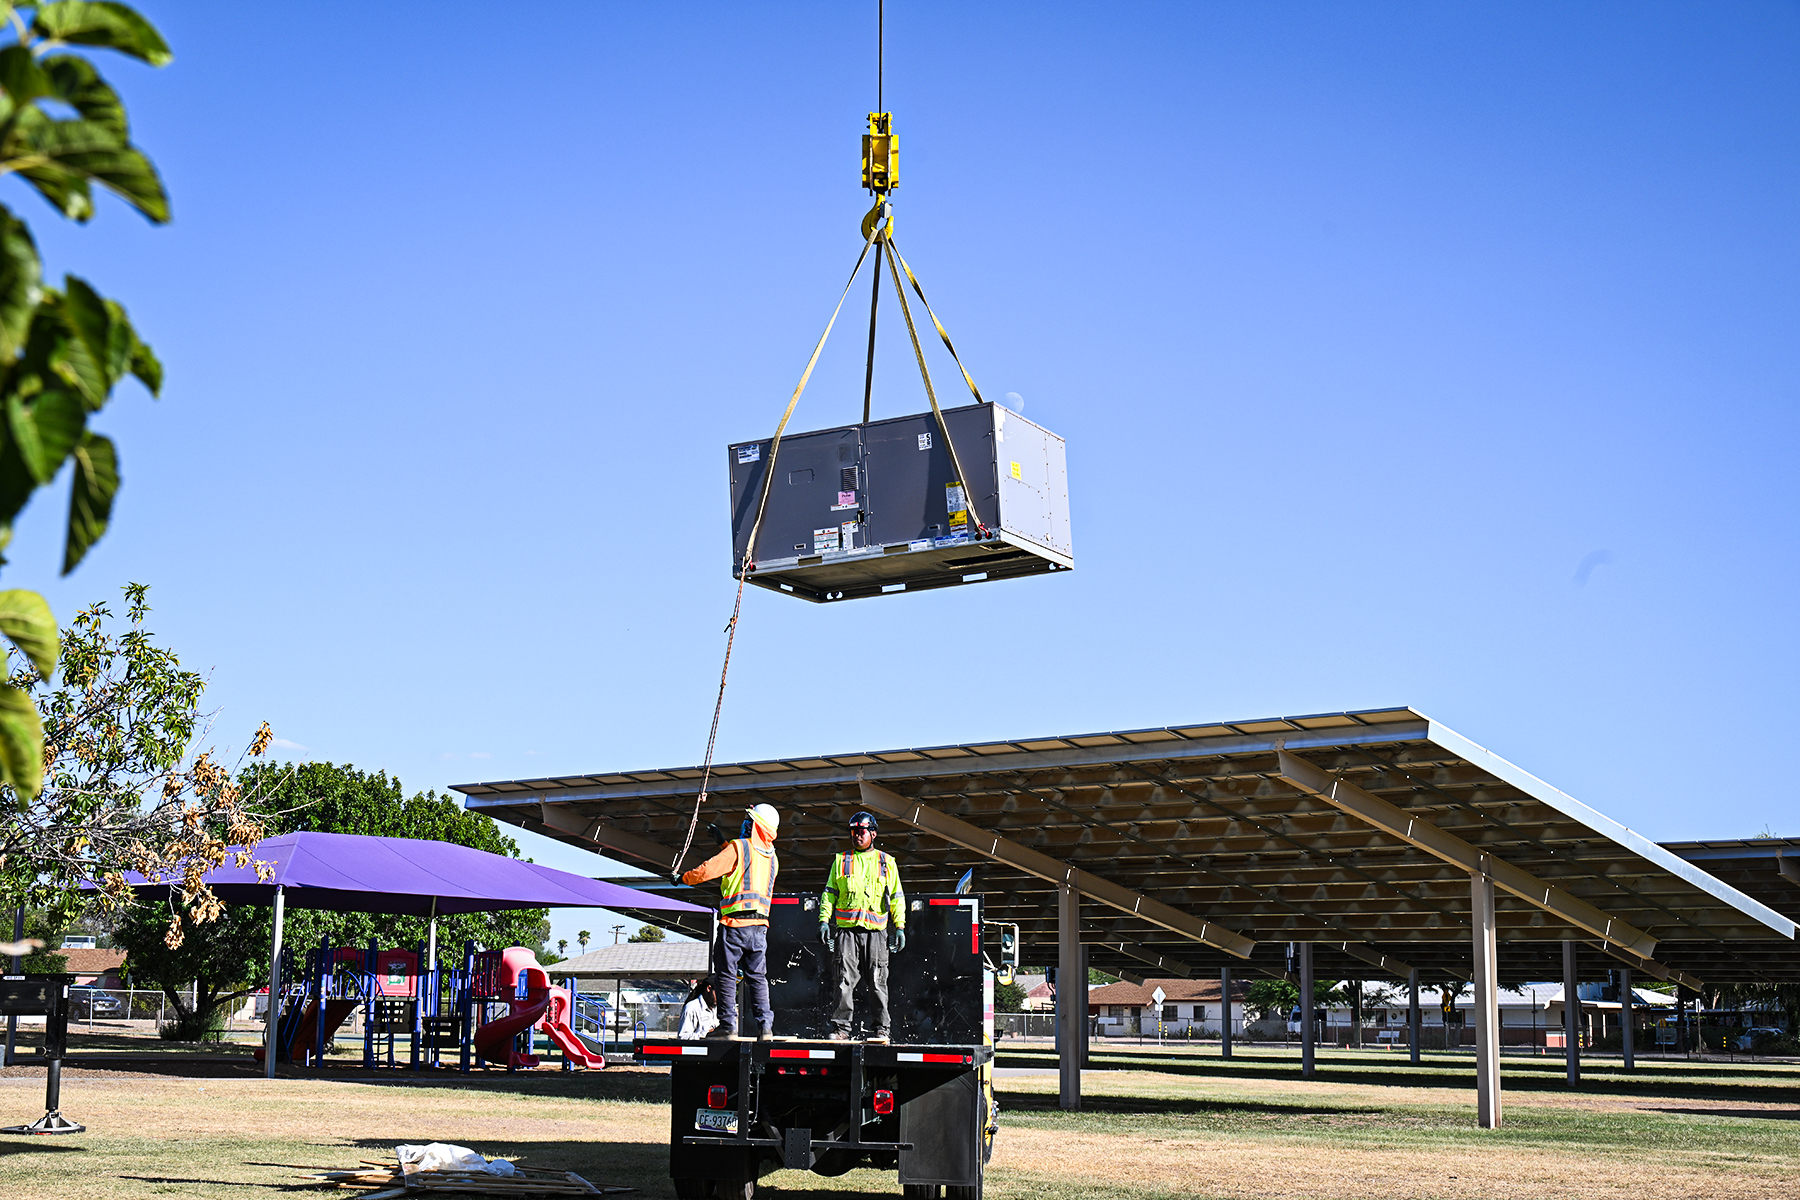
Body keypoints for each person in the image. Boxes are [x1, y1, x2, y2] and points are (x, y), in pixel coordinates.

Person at [678, 803, 780, 1040]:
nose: (745, 824)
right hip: (759, 929)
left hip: (734, 926)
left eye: (749, 821)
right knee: (757, 978)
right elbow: (745, 865)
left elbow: (707, 870)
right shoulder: (772, 857)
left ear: (757, 826)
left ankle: (727, 1027)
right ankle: (765, 1028)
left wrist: (683, 878)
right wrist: (723, 843)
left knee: (725, 975)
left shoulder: (739, 847)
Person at [819, 810, 906, 1043]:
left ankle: (881, 1029)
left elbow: (897, 896)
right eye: (854, 832)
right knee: (844, 981)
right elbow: (829, 895)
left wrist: (900, 926)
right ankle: (841, 1029)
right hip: (847, 931)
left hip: (876, 932)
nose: (857, 835)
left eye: (862, 831)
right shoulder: (841, 861)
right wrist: (824, 921)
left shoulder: (887, 862)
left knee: (878, 981)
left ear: (873, 834)